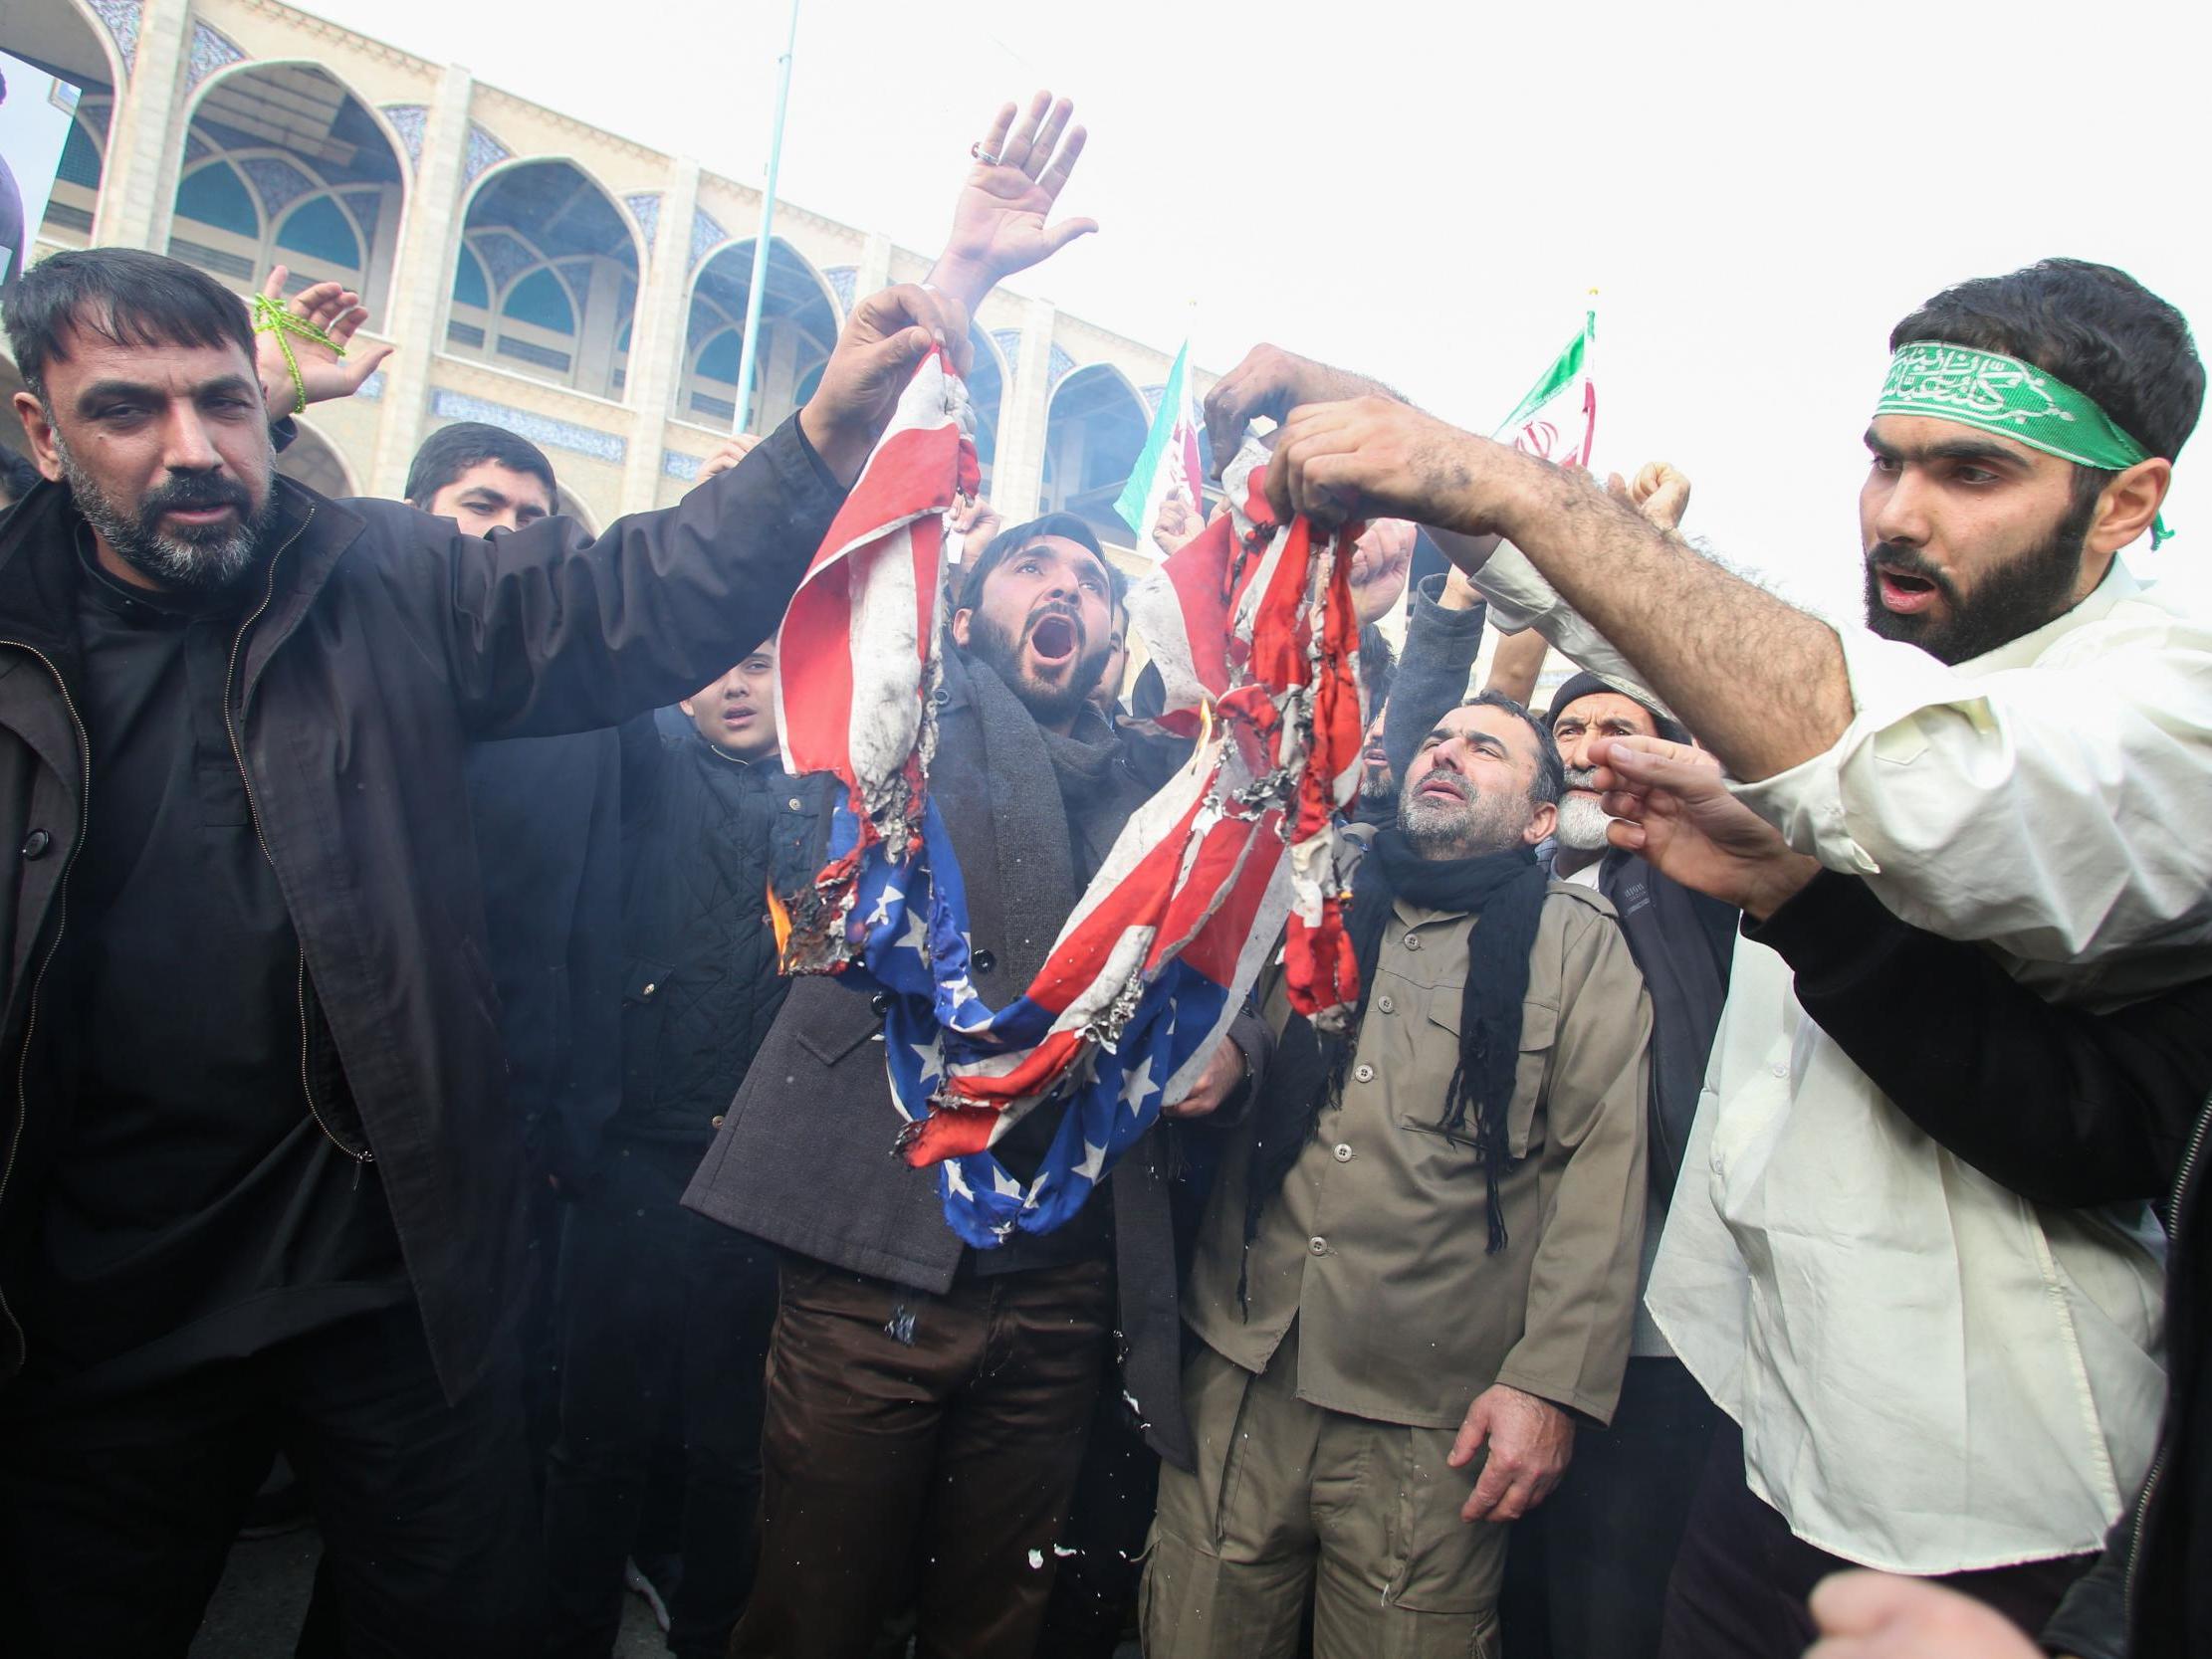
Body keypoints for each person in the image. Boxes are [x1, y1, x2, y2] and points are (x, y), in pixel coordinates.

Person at [1221, 257, 2206, 1649]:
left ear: (2122, 500)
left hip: (1992, 1515)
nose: (1901, 515)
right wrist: (1433, 468)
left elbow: (1893, 766)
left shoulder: (2162, 700)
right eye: (1885, 463)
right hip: (1763, 1440)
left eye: (1971, 473)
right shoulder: (1934, 676)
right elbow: (1671, 644)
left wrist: (1502, 481)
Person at [0, 239, 964, 1656]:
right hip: (98, 1308)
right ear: (39, 429)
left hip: (391, 1281)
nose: (193, 449)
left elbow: (631, 600)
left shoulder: (380, 577)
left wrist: (826, 425)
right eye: (128, 411)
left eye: (223, 402)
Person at [686, 502, 1266, 1659]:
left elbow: (1247, 926)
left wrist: (1239, 1046)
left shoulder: (1171, 783)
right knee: (815, 1606)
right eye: (1029, 566)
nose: (1063, 588)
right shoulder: (896, 725)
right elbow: (809, 910)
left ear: (1114, 632)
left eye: (1090, 580)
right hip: (874, 1252)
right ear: (962, 605)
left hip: (1058, 1282)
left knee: (996, 1612)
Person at [1587, 733, 2212, 1659]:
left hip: (1990, 1494)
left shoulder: (2108, 746)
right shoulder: (1798, 777)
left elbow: (2085, 1120)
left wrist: (1806, 899)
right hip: (1772, 1430)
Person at [1142, 692, 1654, 1659]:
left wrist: (1548, 1387)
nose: (1446, 753)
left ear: (1540, 819)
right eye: (1435, 738)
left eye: (1484, 747)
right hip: (1245, 1363)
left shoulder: (1578, 945)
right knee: (1192, 1622)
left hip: (1431, 1414)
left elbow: (1601, 1176)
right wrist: (1235, 1055)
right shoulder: (1313, 890)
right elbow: (1237, 1016)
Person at [538, 639, 795, 1659]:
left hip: (758, 1172)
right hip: (633, 1161)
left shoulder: (823, 787)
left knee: (733, 1443)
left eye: (763, 662)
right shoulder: (636, 762)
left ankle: (709, 1632)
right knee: (596, 1435)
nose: (734, 684)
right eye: (713, 663)